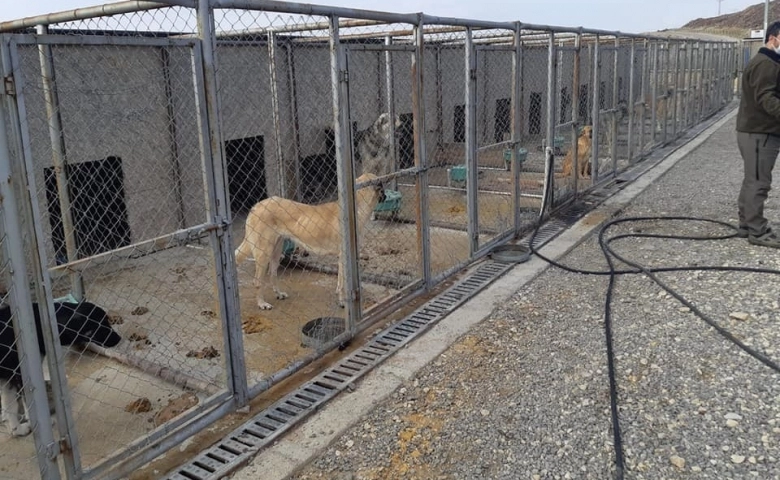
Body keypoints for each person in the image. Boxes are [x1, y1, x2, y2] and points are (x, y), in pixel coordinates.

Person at [736, 21, 780, 249]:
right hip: (759, 132)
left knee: (752, 178)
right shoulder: (766, 64)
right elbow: (767, 99)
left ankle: (746, 224)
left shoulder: (769, 62)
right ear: (774, 37)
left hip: (758, 131)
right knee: (759, 182)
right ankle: (757, 230)